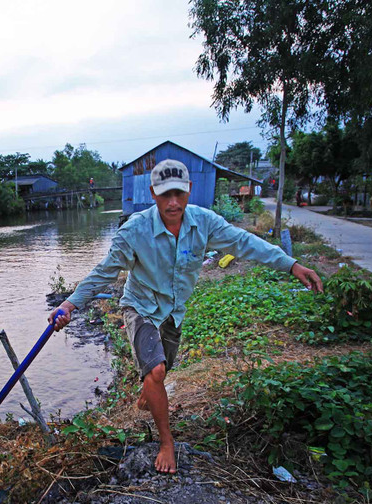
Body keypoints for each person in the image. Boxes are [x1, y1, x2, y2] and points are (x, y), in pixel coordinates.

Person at [48, 159, 323, 474]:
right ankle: (167, 443)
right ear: (153, 193)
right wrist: (70, 305)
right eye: (165, 195)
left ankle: (146, 394)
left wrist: (292, 264)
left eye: (179, 193)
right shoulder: (135, 230)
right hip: (140, 306)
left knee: (158, 372)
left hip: (174, 312)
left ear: (189, 190)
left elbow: (245, 243)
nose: (173, 202)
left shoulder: (204, 223)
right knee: (157, 372)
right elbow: (104, 272)